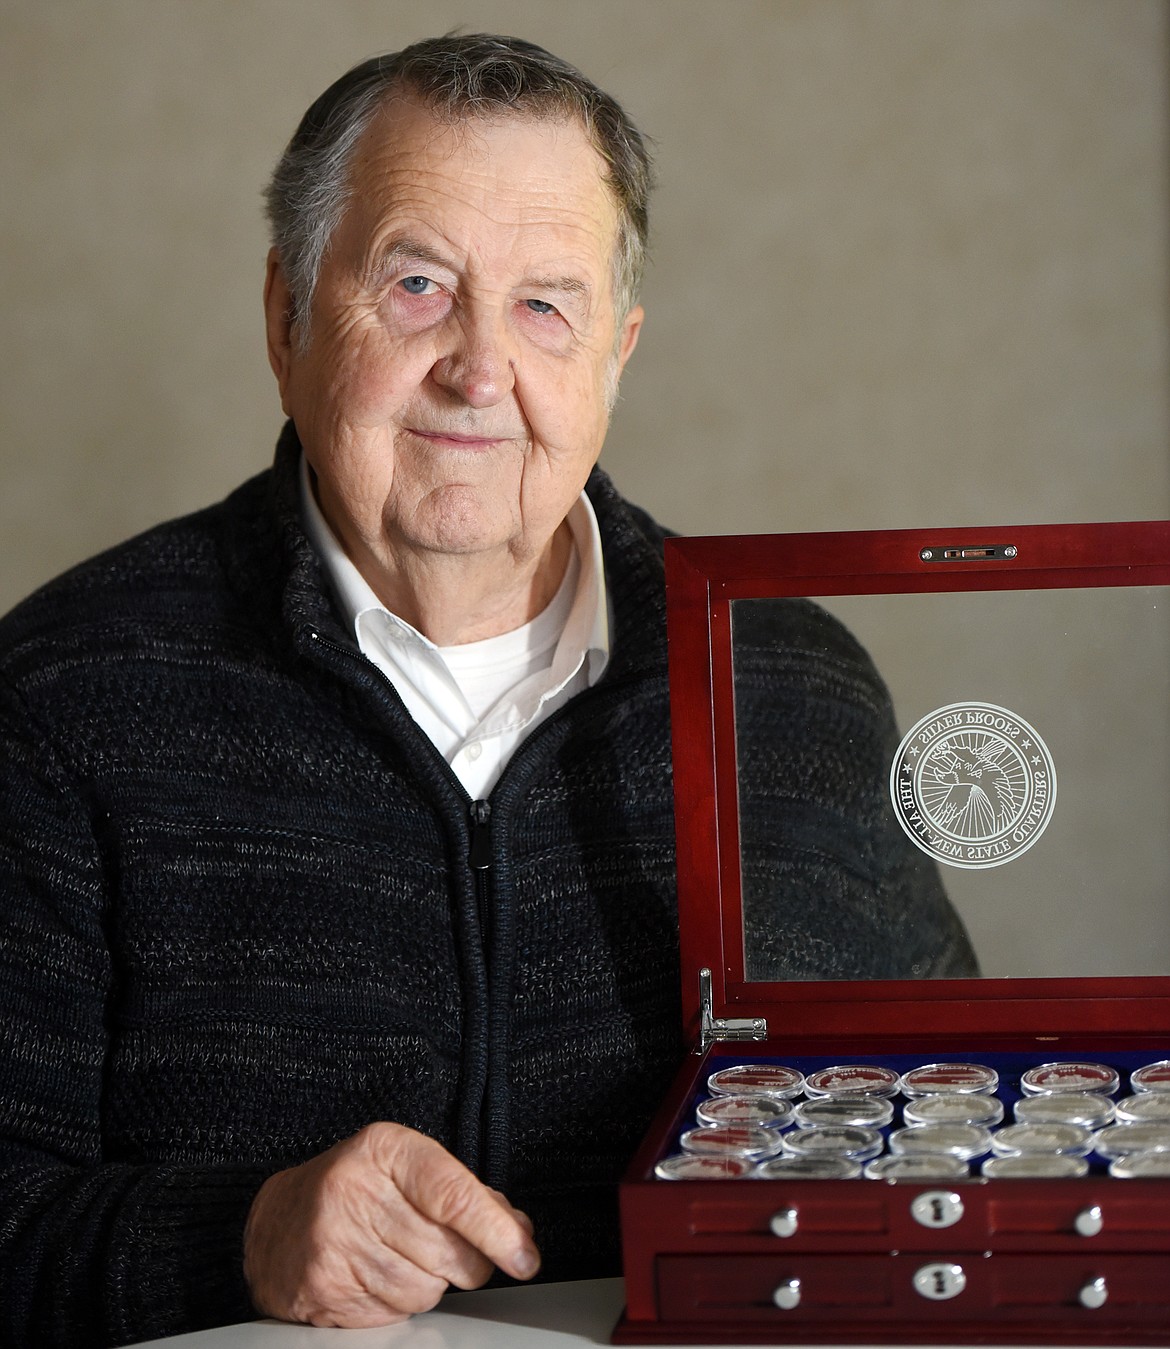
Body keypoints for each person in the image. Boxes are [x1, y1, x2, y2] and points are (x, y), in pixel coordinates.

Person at [0, 33, 977, 1347]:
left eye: (542, 305)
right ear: (285, 316)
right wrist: (240, 1235)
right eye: (416, 285)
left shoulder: (788, 688)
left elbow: (962, 1125)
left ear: (615, 353)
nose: (476, 369)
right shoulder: (64, 694)